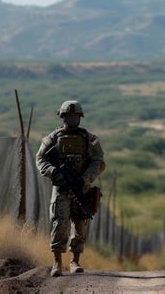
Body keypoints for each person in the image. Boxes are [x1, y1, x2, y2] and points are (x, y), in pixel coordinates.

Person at [36, 100, 104, 277]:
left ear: (80, 117)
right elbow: (40, 159)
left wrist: (85, 178)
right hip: (61, 189)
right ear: (62, 117)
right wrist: (53, 172)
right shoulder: (52, 138)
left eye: (75, 116)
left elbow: (99, 160)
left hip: (82, 187)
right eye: (68, 116)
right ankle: (57, 262)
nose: (72, 119)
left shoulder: (90, 139)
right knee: (60, 222)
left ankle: (75, 260)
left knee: (80, 222)